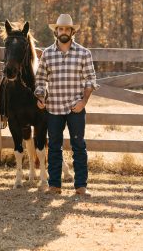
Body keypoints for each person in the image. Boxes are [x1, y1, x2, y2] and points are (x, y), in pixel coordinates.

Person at [35, 14, 98, 196]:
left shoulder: (84, 53)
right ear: (56, 31)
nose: (63, 32)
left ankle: (81, 186)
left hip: (75, 108)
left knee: (79, 145)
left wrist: (83, 101)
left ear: (72, 31)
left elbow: (91, 80)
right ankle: (54, 185)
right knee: (54, 146)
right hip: (53, 108)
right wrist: (40, 97)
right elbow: (40, 80)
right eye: (60, 29)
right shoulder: (47, 54)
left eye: (67, 29)